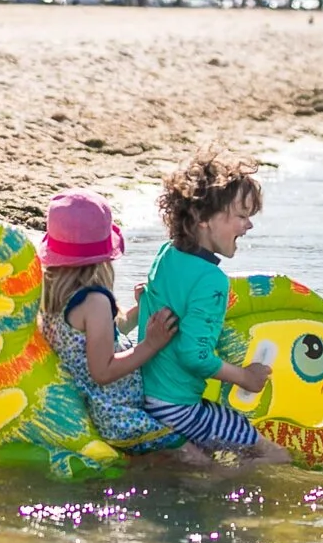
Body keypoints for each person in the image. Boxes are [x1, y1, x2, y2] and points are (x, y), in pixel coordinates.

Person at [134, 153, 293, 464]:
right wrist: (244, 378)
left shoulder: (167, 253)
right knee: (276, 457)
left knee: (206, 456)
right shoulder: (212, 280)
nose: (249, 225)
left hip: (145, 392)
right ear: (202, 217)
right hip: (176, 406)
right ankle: (222, 491)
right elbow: (194, 355)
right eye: (241, 216)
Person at [35, 191, 212, 467]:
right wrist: (151, 344)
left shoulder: (54, 296)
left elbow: (103, 336)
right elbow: (103, 371)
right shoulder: (95, 300)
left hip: (89, 409)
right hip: (117, 415)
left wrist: (139, 311)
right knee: (199, 461)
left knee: (177, 458)